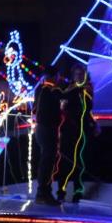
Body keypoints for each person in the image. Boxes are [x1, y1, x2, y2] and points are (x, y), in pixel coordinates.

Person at [56, 64, 99, 203]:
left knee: (80, 162)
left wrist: (94, 124)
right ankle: (61, 191)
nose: (79, 76)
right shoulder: (70, 90)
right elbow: (63, 107)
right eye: (77, 74)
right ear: (73, 76)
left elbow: (87, 111)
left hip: (82, 130)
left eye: (81, 74)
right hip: (69, 129)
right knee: (65, 162)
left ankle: (77, 192)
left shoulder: (86, 90)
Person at [32, 64, 64, 206]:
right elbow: (60, 97)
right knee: (47, 161)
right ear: (54, 76)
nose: (59, 79)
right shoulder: (49, 89)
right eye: (58, 76)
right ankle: (43, 193)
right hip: (47, 129)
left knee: (47, 161)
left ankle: (43, 192)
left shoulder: (41, 88)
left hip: (42, 128)